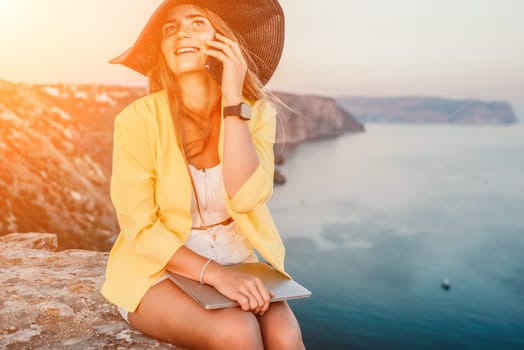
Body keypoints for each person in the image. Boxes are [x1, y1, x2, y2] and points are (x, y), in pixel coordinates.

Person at [101, 0, 305, 348]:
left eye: (197, 22)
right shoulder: (137, 120)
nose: (181, 32)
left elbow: (246, 196)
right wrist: (216, 276)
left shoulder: (256, 114)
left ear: (223, 40)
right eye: (170, 28)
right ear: (163, 51)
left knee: (285, 336)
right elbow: (140, 229)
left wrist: (231, 101)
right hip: (157, 268)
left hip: (237, 260)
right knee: (237, 331)